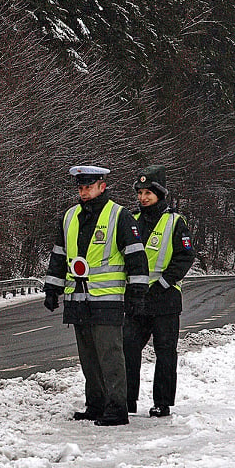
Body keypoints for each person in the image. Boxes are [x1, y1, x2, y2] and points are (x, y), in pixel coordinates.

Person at [43, 165, 150, 426]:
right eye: (80, 187)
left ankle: (117, 409)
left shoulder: (119, 216)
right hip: (78, 301)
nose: (84, 192)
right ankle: (95, 405)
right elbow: (59, 257)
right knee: (88, 358)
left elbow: (137, 258)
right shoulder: (69, 217)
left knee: (111, 356)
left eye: (88, 187)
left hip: (108, 301)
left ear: (102, 186)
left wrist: (137, 296)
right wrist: (52, 288)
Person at [123, 165, 195, 418]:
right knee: (128, 348)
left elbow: (185, 258)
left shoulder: (176, 222)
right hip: (137, 298)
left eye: (148, 194)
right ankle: (127, 400)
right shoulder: (131, 221)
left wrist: (163, 283)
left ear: (160, 194)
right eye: (140, 193)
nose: (143, 198)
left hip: (164, 299)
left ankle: (162, 403)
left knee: (164, 352)